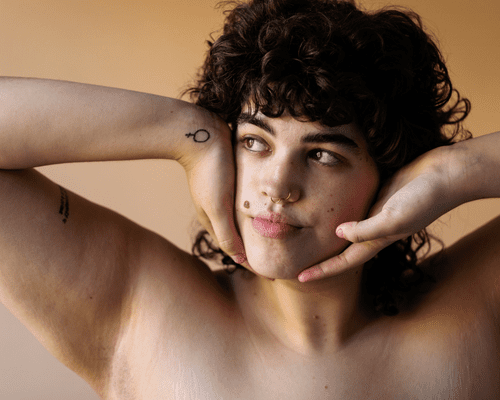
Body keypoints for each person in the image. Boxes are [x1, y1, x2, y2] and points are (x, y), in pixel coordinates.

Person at [0, 0, 499, 399]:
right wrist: (187, 132)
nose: (276, 185)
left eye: (323, 154)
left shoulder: (472, 312)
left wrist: (453, 171)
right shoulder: (137, 306)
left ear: (391, 177)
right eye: (254, 142)